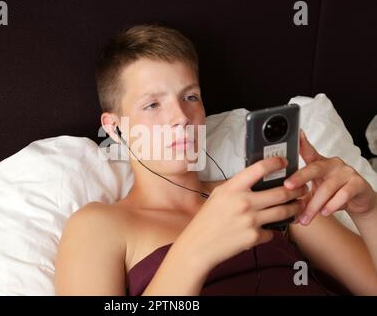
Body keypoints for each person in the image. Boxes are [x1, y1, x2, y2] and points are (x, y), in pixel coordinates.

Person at [54, 24, 377, 295]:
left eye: (190, 97)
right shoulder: (98, 225)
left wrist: (368, 211)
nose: (181, 117)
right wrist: (195, 250)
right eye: (153, 105)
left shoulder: (266, 194)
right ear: (114, 127)